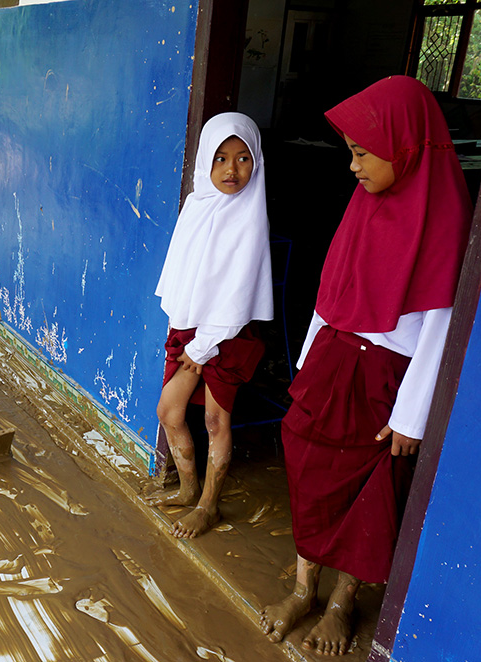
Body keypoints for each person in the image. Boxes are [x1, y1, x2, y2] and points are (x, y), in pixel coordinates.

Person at [259, 76, 472, 655]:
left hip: (385, 375)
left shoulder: (446, 216)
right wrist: (305, 366)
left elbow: (438, 331)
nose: (352, 166)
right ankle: (304, 587)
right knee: (306, 462)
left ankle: (340, 602)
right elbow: (333, 293)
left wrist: (412, 416)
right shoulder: (363, 202)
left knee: (366, 486)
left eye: (361, 153)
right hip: (330, 361)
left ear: (405, 145)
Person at [148, 112, 273, 538]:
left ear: (256, 161)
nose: (231, 170)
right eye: (220, 158)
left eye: (243, 158)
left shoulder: (250, 217)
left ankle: (208, 506)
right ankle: (188, 488)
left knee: (216, 422)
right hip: (190, 331)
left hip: (226, 335)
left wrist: (201, 349)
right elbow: (183, 273)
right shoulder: (198, 205)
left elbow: (237, 296)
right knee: (170, 410)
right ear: (206, 161)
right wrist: (185, 334)